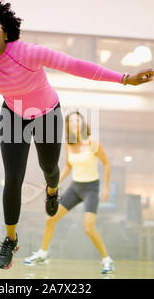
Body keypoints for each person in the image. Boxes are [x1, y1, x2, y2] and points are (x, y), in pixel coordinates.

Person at [0, 0, 154, 269]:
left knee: (49, 166)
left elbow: (76, 66)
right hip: (13, 114)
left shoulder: (29, 52)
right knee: (12, 178)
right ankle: (10, 239)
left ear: (6, 31)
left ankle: (52, 190)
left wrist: (124, 78)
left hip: (48, 112)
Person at [23, 111, 115, 273]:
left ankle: (107, 260)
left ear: (83, 124)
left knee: (88, 228)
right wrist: (53, 181)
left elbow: (106, 163)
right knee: (50, 219)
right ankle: (43, 254)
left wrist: (106, 187)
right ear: (69, 126)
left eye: (78, 121)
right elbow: (68, 166)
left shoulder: (93, 143)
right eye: (72, 121)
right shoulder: (69, 145)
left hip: (91, 189)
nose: (75, 124)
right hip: (75, 188)